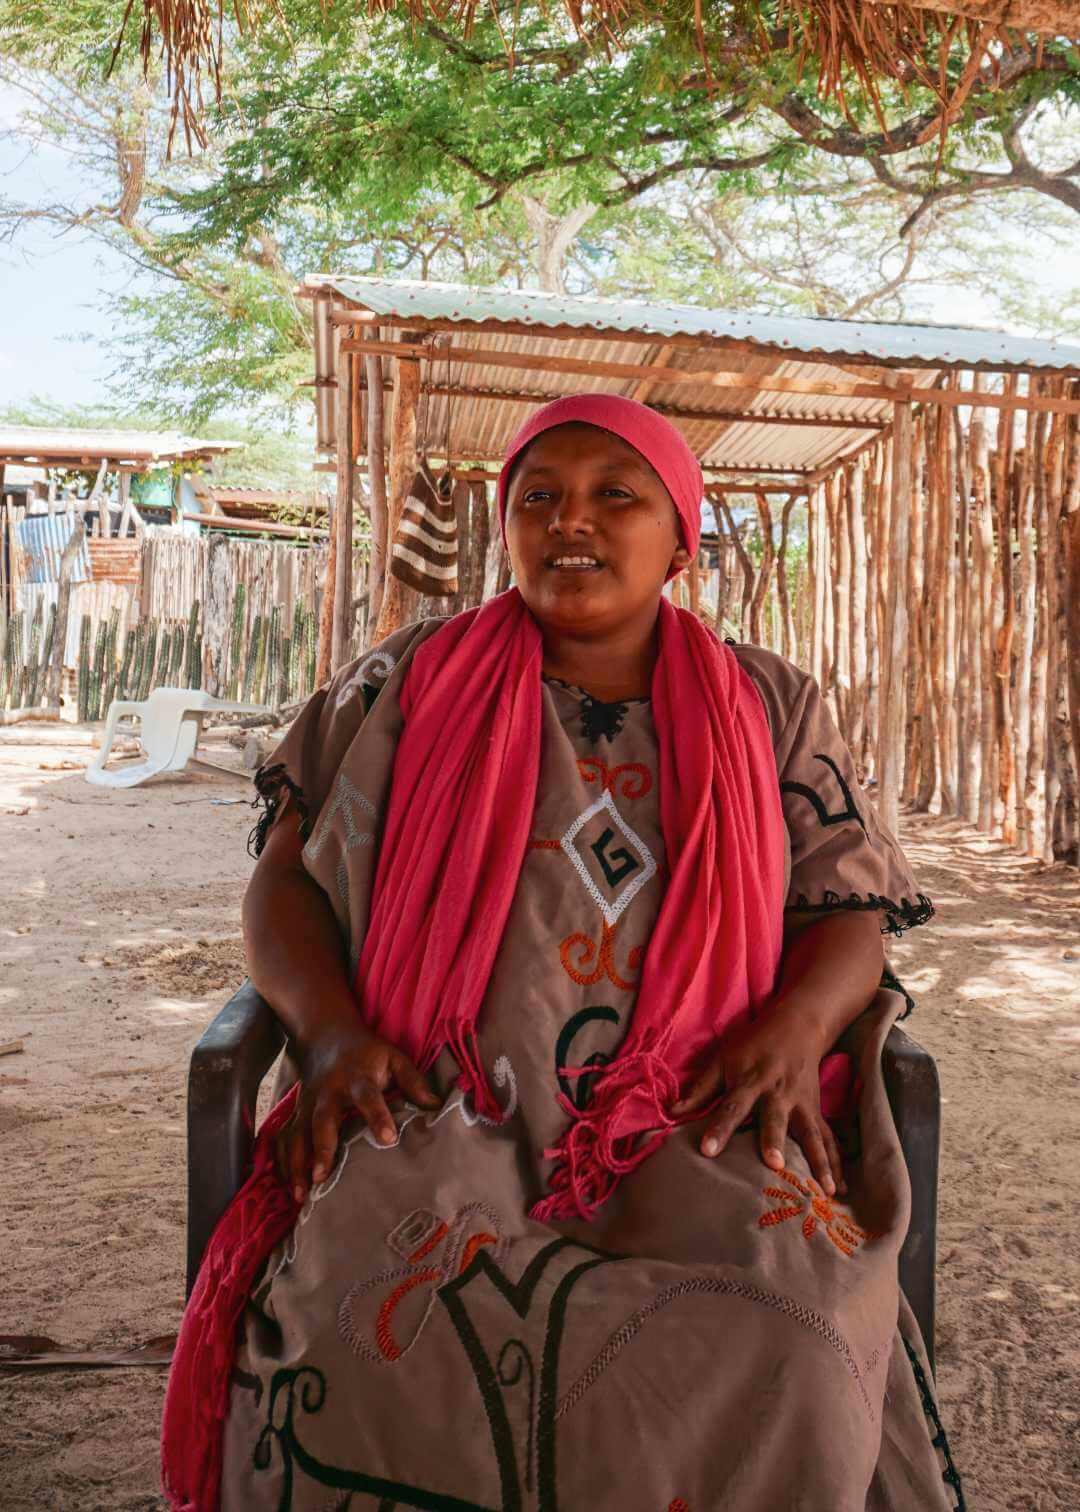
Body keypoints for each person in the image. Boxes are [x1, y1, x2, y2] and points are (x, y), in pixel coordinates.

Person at [162, 394, 959, 1512]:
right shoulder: (405, 682)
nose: (568, 521)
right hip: (436, 1108)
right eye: (538, 497)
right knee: (364, 1340)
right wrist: (334, 1033)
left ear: (682, 534)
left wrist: (795, 1031)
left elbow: (848, 910)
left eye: (613, 496)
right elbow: (287, 879)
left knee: (801, 1339)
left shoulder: (769, 703)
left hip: (697, 1117)